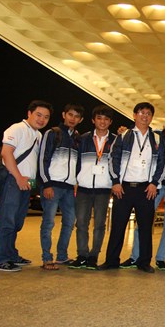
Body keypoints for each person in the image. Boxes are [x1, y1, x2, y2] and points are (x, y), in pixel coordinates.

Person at [120, 105, 165, 270]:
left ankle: (160, 258)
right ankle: (135, 257)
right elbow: (137, 136)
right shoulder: (156, 135)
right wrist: (123, 130)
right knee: (143, 222)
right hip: (154, 185)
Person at [99, 102, 165, 273]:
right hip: (124, 188)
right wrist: (115, 181)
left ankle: (144, 262)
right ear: (135, 115)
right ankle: (111, 261)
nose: (145, 116)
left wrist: (154, 183)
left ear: (152, 117)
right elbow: (113, 158)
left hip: (146, 189)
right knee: (118, 226)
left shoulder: (157, 138)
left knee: (145, 228)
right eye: (141, 113)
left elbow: (162, 163)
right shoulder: (124, 136)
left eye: (148, 113)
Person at [0, 100, 53, 271]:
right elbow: (6, 153)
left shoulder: (38, 135)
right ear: (29, 113)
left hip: (26, 183)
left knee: (16, 221)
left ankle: (11, 254)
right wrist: (18, 177)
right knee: (6, 219)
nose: (42, 119)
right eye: (38, 115)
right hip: (13, 180)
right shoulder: (17, 128)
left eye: (46, 117)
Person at [69, 105, 117, 270]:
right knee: (81, 223)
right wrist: (77, 179)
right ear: (93, 120)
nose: (102, 122)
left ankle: (93, 256)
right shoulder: (83, 139)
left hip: (104, 189)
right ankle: (82, 255)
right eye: (99, 118)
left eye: (106, 119)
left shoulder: (116, 140)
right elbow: (76, 162)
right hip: (84, 187)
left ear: (110, 122)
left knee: (99, 225)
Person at [38, 103, 84, 270]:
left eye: (76, 116)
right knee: (48, 223)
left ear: (80, 120)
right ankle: (46, 258)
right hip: (53, 186)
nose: (73, 119)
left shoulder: (77, 138)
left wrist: (76, 182)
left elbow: (77, 165)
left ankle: (62, 256)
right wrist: (47, 184)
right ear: (64, 115)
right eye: (70, 115)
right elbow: (43, 159)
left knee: (69, 222)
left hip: (69, 187)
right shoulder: (53, 133)